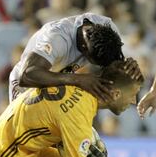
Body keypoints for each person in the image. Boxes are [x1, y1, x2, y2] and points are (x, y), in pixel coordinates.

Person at [0, 61, 144, 157]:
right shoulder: (78, 115)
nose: (133, 102)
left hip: (31, 155)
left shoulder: (78, 86)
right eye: (132, 95)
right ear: (115, 94)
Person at [9, 12, 142, 103]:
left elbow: (114, 62)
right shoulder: (56, 38)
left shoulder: (108, 29)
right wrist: (78, 79)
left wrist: (126, 67)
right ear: (84, 49)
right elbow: (26, 75)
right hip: (27, 87)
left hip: (60, 81)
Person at [137, 54, 156, 118]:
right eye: (140, 66)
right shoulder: (131, 86)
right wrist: (155, 91)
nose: (143, 69)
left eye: (145, 66)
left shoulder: (155, 80)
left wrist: (155, 91)